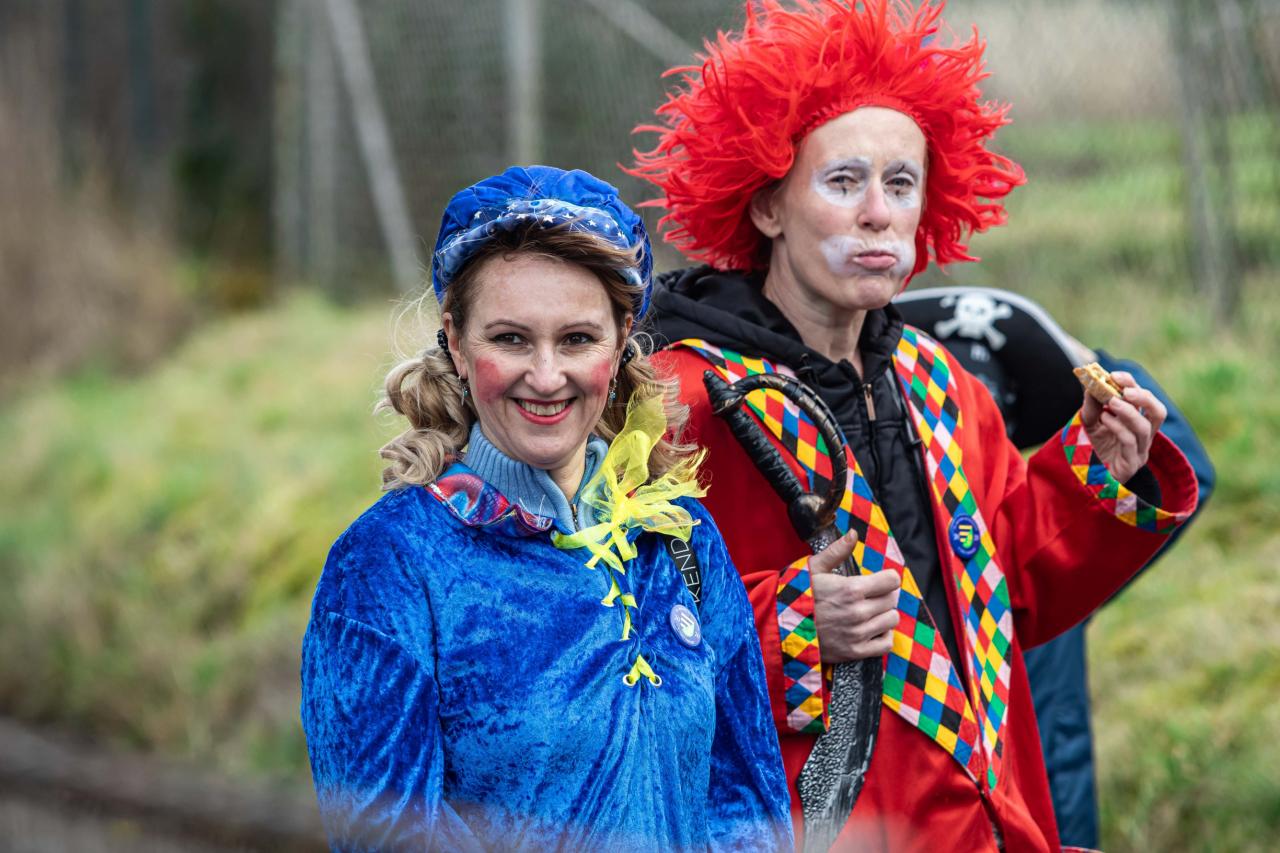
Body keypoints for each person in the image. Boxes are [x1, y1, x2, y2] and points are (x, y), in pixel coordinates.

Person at [630, 1, 1201, 850]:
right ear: (768, 207)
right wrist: (788, 625)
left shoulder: (940, 380)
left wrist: (1097, 467)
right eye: (843, 181)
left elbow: (1007, 590)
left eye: (901, 184)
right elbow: (613, 636)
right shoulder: (680, 400)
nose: (878, 213)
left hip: (990, 821)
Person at [300, 165, 793, 852]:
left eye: (577, 339)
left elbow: (750, 806)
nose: (546, 375)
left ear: (621, 339)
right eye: (510, 339)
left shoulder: (680, 538)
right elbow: (386, 835)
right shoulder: (389, 564)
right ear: (456, 340)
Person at [895, 285, 1216, 849]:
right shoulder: (896, 544)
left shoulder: (1046, 540)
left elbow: (1184, 470)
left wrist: (1087, 362)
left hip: (1054, 810)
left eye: (991, 411)